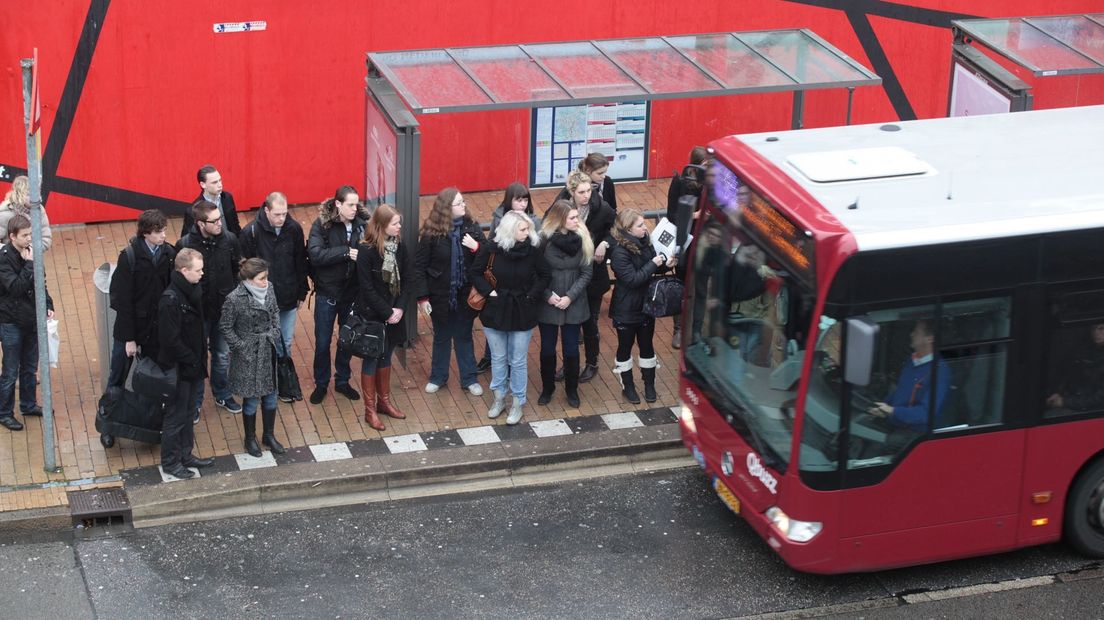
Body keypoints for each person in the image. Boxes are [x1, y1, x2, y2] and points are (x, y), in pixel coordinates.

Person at [469, 211, 550, 425]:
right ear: (509, 230)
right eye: (523, 229)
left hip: (522, 309)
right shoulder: (491, 248)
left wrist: (532, 295)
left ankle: (517, 403)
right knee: (498, 358)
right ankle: (498, 399)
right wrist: (489, 292)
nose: (528, 232)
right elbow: (475, 272)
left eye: (528, 228)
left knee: (518, 360)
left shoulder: (532, 251)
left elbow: (545, 275)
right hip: (495, 309)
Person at [239, 191, 310, 402]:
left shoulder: (294, 229)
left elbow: (300, 261)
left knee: (284, 342)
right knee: (264, 343)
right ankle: (267, 383)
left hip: (287, 297)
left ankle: (280, 384)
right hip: (261, 301)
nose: (282, 218)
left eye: (285, 214)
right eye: (277, 214)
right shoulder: (250, 232)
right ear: (266, 210)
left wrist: (301, 290)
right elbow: (244, 270)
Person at [415, 188, 485, 396]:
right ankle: (438, 377)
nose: (464, 205)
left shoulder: (471, 227)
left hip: (465, 294)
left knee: (464, 335)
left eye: (463, 201)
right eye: (458, 203)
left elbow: (487, 256)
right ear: (446, 208)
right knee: (442, 336)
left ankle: (469, 378)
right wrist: (422, 297)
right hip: (440, 295)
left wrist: (476, 247)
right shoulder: (431, 234)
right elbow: (419, 267)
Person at [177, 200, 242, 421]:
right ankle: (195, 403)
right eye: (214, 221)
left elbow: (237, 270)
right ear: (200, 223)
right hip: (198, 312)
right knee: (197, 357)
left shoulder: (229, 240)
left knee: (222, 355)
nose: (219, 224)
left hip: (223, 310)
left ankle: (221, 393)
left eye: (220, 219)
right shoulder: (186, 245)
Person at [156, 248, 215, 479]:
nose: (202, 274)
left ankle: (186, 454)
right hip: (180, 368)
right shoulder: (170, 300)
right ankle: (171, 462)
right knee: (176, 415)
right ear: (184, 270)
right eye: (198, 270)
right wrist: (191, 359)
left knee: (188, 412)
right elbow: (170, 340)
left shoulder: (191, 291)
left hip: (192, 365)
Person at [307, 185, 369, 404]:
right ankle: (321, 383)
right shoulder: (322, 225)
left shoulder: (362, 225)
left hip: (350, 294)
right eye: (350, 205)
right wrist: (345, 253)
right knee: (322, 342)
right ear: (338, 204)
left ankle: (342, 380)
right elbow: (315, 255)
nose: (355, 208)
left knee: (347, 340)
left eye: (356, 204)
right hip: (327, 293)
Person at [219, 258, 286, 457]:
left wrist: (274, 332)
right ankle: (250, 439)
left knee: (271, 396)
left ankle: (269, 435)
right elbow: (225, 326)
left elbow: (274, 312)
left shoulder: (270, 288)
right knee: (251, 399)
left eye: (266, 277)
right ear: (248, 279)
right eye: (261, 278)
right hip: (248, 355)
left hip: (268, 349)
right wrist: (241, 347)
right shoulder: (234, 298)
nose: (266, 281)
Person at [609, 209, 677, 404]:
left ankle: (649, 384)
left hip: (646, 306)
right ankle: (628, 385)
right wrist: (654, 264)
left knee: (647, 345)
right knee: (625, 346)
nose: (644, 227)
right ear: (628, 229)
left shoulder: (645, 242)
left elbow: (654, 264)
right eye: (639, 225)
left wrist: (666, 263)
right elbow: (632, 279)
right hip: (626, 308)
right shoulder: (619, 252)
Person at [354, 205, 411, 431]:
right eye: (395, 223)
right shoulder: (367, 251)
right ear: (382, 225)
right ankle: (370, 410)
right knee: (371, 358)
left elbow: (407, 279)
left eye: (399, 223)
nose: (399, 227)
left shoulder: (399, 246)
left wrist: (400, 309)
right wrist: (388, 313)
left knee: (386, 356)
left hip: (394, 313)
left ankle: (384, 403)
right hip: (373, 315)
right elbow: (366, 289)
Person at [107, 210, 176, 388]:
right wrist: (129, 338)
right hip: (131, 324)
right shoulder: (129, 257)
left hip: (156, 326)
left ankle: (149, 410)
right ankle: (112, 408)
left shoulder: (168, 253)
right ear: (145, 233)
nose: (163, 235)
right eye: (158, 232)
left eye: (164, 230)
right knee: (118, 373)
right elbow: (122, 299)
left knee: (153, 375)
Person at [536, 200, 593, 408]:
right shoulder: (543, 240)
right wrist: (548, 295)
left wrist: (570, 296)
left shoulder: (584, 238)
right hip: (548, 302)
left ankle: (572, 390)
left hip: (574, 302)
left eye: (576, 217)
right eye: (572, 218)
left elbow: (587, 273)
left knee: (571, 349)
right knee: (547, 349)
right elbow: (535, 272)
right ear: (560, 219)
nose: (576, 221)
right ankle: (547, 388)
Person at [0, 215, 54, 431]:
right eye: (25, 236)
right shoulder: (4, 259)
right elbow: (15, 288)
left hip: (31, 319)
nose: (29, 239)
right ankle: (4, 412)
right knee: (11, 370)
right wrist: (30, 264)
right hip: (11, 322)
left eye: (31, 234)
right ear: (12, 237)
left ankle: (28, 404)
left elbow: (42, 282)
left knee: (30, 367)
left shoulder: (32, 253)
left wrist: (48, 304)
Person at [478, 182, 539, 372]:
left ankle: (510, 369)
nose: (522, 204)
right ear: (509, 200)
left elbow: (537, 255)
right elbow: (492, 244)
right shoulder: (499, 216)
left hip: (519, 284)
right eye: (518, 200)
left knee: (514, 340)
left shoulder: (533, 221)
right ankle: (490, 357)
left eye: (525, 200)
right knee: (496, 326)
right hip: (499, 283)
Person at [563, 170, 615, 384]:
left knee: (590, 323)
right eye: (581, 192)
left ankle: (592, 362)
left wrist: (605, 243)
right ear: (572, 192)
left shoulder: (602, 208)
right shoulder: (563, 205)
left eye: (588, 190)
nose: (587, 195)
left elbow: (616, 231)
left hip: (593, 274)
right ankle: (569, 364)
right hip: (568, 274)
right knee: (568, 324)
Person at [868, 320, 952, 432]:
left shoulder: (940, 372)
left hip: (915, 435)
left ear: (929, 339)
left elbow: (925, 414)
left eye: (916, 332)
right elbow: (901, 392)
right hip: (895, 424)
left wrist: (892, 411)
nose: (911, 334)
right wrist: (883, 408)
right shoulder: (912, 361)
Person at [666, 147, 708, 349]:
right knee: (681, 287)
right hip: (685, 240)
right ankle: (679, 329)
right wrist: (694, 215)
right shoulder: (680, 183)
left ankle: (697, 331)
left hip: (705, 243)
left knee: (700, 289)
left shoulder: (712, 185)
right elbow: (672, 215)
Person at [1046, 323, 1104, 413]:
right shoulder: (1084, 349)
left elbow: (1099, 399)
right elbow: (1067, 373)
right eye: (1093, 328)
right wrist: (1057, 392)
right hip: (1073, 396)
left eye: (1101, 328)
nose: (1096, 333)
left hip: (1091, 408)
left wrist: (1065, 402)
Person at [182, 165, 242, 236]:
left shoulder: (227, 197)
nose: (220, 185)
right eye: (214, 182)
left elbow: (235, 224)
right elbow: (188, 238)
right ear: (203, 184)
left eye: (220, 180)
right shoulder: (193, 211)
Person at [0, 175, 52, 251]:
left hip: (32, 260)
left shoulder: (39, 210)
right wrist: (11, 253)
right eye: (28, 194)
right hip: (9, 261)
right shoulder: (5, 215)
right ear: (19, 194)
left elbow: (46, 238)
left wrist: (30, 251)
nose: (34, 197)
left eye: (36, 193)